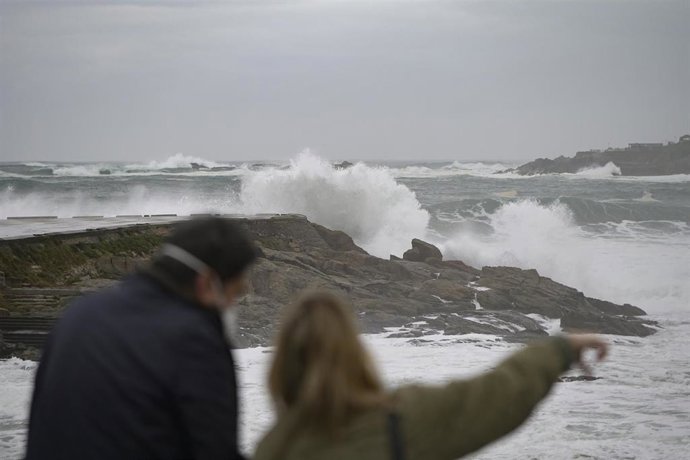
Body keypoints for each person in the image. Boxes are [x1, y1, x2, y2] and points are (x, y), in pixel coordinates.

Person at [254, 290, 609, 460]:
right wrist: (561, 349)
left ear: (281, 365)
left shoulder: (271, 450)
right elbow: (498, 395)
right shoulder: (400, 421)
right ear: (354, 354)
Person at [26, 217, 259, 460]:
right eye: (236, 292)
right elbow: (216, 451)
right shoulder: (194, 340)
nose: (233, 304)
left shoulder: (79, 314)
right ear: (207, 283)